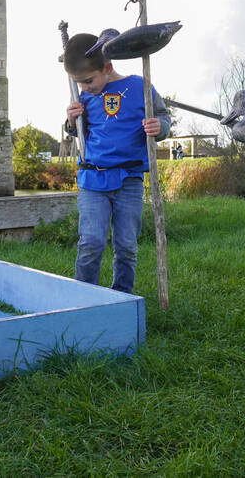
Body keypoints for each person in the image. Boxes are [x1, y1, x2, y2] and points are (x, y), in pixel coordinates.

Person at [63, 32, 170, 294]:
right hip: (93, 179)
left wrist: (160, 127)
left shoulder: (140, 87)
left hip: (129, 180)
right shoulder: (83, 96)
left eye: (88, 81)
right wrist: (71, 121)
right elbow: (79, 132)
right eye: (79, 83)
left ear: (107, 67)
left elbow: (163, 116)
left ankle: (121, 297)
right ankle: (85, 297)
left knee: (126, 246)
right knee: (91, 243)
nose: (84, 88)